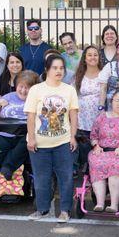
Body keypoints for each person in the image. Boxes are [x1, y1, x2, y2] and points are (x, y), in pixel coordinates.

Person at [24, 54, 79, 223]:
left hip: (62, 142)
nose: (59, 71)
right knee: (41, 178)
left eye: (61, 68)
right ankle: (42, 210)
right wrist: (31, 138)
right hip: (40, 143)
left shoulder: (69, 90)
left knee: (66, 177)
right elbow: (31, 117)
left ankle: (65, 210)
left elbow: (73, 115)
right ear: (47, 69)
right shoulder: (36, 90)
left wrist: (73, 137)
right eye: (55, 68)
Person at [0, 70, 39, 195]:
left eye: (27, 88)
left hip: (25, 134)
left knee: (26, 143)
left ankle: (8, 168)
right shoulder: (8, 97)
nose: (23, 90)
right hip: (5, 133)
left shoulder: (37, 100)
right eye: (20, 87)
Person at [73, 45, 103, 173]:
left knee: (98, 146)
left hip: (99, 117)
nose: (92, 57)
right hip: (82, 118)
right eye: (89, 55)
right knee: (85, 146)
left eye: (95, 55)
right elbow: (72, 94)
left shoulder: (104, 74)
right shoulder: (79, 75)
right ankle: (86, 174)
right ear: (84, 58)